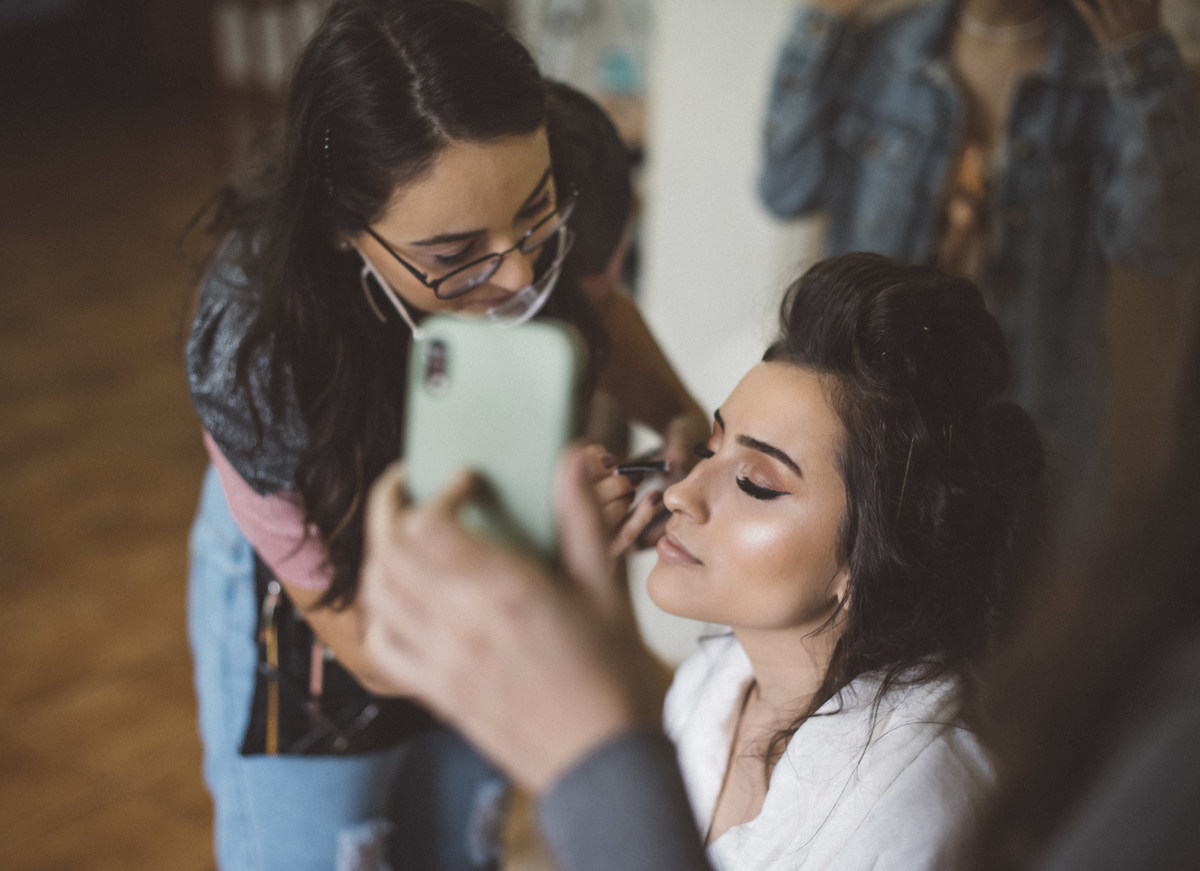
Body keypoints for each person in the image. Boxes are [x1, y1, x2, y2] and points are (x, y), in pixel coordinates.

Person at [182, 1, 706, 869]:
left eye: (535, 217)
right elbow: (377, 652)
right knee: (324, 847)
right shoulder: (252, 348)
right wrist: (558, 579)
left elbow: (599, 307)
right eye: (456, 253)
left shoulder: (563, 172)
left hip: (480, 538)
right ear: (342, 229)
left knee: (459, 836)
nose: (518, 274)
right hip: (317, 598)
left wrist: (680, 412)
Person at [360, 252, 1048, 870]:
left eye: (756, 482)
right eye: (712, 449)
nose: (684, 492)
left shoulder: (920, 810)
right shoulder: (713, 683)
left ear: (871, 554)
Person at [757, 0, 1200, 550]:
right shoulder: (882, 50)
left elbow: (1158, 246)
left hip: (1041, 434)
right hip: (866, 426)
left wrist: (1141, 61)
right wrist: (823, 20)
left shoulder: (1113, 73)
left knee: (1029, 627)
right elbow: (785, 188)